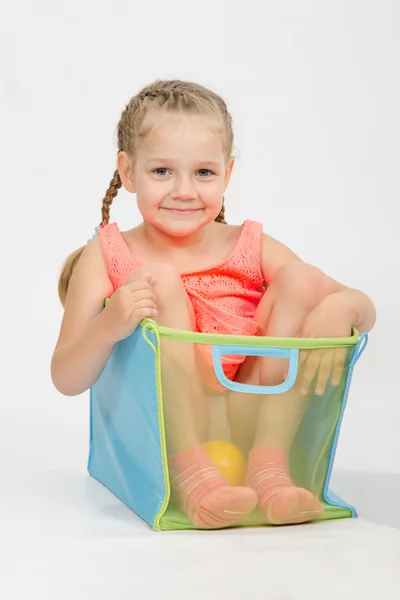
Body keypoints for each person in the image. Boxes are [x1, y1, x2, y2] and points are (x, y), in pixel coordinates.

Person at [51, 80, 376, 529]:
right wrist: (109, 324)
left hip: (251, 408)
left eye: (204, 173)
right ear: (127, 172)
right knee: (158, 280)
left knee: (302, 279)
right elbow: (65, 377)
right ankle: (191, 474)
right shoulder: (107, 253)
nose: (184, 190)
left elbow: (362, 307)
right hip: (169, 419)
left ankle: (271, 469)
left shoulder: (250, 243)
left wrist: (346, 307)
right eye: (162, 171)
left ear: (227, 173)